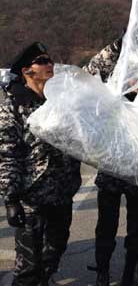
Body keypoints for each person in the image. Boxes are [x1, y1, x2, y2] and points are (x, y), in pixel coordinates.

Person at [0, 42, 82, 286]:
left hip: (61, 192)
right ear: (27, 71)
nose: (50, 65)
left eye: (50, 60)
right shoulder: (13, 106)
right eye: (43, 61)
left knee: (55, 251)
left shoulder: (58, 100)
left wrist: (119, 47)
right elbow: (7, 153)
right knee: (28, 267)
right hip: (32, 197)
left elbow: (92, 78)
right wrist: (11, 198)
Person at [84, 39, 138, 286]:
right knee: (106, 227)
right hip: (111, 170)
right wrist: (116, 46)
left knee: (137, 227)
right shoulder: (112, 89)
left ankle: (132, 268)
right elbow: (89, 75)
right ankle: (103, 272)